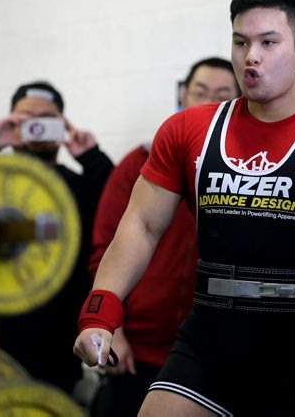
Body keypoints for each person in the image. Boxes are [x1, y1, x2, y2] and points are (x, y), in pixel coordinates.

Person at [74, 0, 295, 416]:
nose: (252, 55)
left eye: (269, 42)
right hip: (207, 335)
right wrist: (100, 311)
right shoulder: (187, 130)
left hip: (294, 347)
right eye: (241, 41)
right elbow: (141, 224)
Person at [0, 81, 114, 396]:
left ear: (62, 124)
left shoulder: (82, 188)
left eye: (46, 118)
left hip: (52, 355)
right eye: (25, 117)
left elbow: (123, 208)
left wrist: (91, 156)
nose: (36, 125)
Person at [89, 57, 240, 416]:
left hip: (207, 351)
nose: (207, 103)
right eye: (200, 92)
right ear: (183, 94)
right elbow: (105, 249)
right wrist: (113, 328)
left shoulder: (249, 173)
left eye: (222, 95)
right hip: (134, 351)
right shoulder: (139, 162)